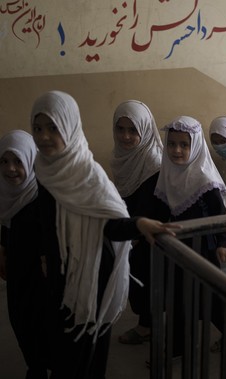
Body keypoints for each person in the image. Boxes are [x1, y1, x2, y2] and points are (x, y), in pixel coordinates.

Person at [30, 90, 179, 379]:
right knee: (63, 347)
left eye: (53, 128)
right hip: (59, 275)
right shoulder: (42, 170)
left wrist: (138, 224)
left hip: (93, 275)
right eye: (37, 128)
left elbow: (110, 222)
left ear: (70, 128)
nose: (44, 136)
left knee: (86, 351)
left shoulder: (87, 174)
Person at [154, 115, 226, 353]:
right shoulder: (169, 172)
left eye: (184, 144)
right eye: (171, 144)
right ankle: (178, 346)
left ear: (195, 146)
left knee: (207, 298)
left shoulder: (204, 179)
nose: (176, 150)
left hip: (204, 248)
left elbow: (223, 215)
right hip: (180, 246)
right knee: (181, 297)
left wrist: (224, 243)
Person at [110, 100, 168, 345]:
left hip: (150, 232)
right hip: (133, 229)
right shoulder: (122, 157)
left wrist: (134, 235)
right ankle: (148, 323)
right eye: (120, 129)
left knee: (146, 279)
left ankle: (148, 326)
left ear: (145, 129)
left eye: (133, 130)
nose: (126, 136)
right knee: (138, 279)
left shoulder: (153, 162)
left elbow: (153, 205)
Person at [0, 130, 50, 379]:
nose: (10, 169)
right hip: (17, 271)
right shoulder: (5, 192)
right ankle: (36, 366)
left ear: (31, 161)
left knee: (43, 322)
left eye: (18, 161)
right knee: (20, 320)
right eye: (5, 161)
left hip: (41, 276)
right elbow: (5, 226)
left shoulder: (40, 195)